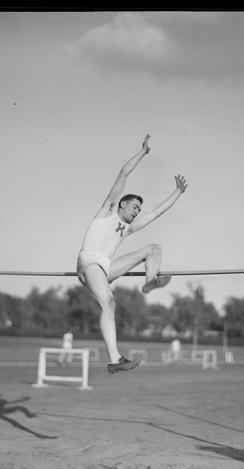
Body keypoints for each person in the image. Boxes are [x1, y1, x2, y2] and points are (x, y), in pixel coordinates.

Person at [77, 135, 188, 374]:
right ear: (121, 205)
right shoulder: (107, 210)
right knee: (108, 302)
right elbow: (123, 174)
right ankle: (115, 359)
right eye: (135, 207)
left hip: (104, 268)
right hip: (89, 262)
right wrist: (142, 153)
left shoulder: (127, 228)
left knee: (154, 248)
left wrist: (177, 193)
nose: (138, 212)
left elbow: (156, 212)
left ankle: (149, 282)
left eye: (139, 209)